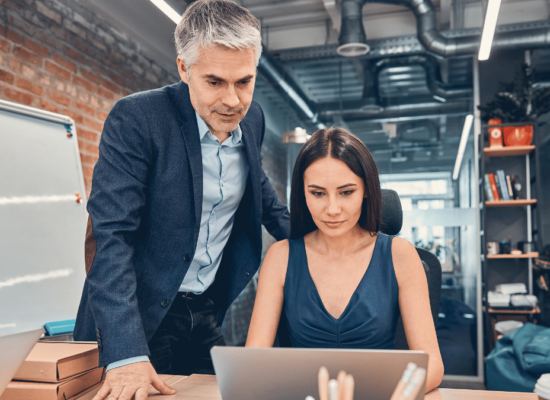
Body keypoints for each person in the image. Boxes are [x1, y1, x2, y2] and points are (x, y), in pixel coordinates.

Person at [73, 1, 290, 399]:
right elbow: (111, 239)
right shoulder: (138, 119)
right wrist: (125, 354)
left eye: (244, 81)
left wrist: (336, 239)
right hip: (140, 316)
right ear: (183, 69)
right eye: (215, 82)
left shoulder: (251, 119)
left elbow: (263, 196)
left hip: (205, 309)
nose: (232, 101)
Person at [246, 127, 444, 392]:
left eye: (346, 192)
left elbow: (431, 366)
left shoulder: (400, 254)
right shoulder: (280, 257)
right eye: (317, 193)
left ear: (366, 190)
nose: (332, 209)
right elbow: (252, 365)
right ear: (303, 194)